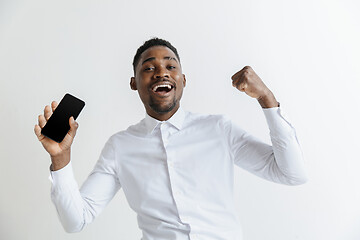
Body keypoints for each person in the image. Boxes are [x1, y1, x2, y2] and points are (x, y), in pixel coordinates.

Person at [34, 38, 308, 240]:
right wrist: (60, 159)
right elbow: (76, 221)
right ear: (134, 83)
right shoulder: (120, 147)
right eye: (148, 68)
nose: (161, 72)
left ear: (183, 79)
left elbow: (292, 173)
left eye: (170, 66)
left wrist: (266, 98)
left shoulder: (218, 129)